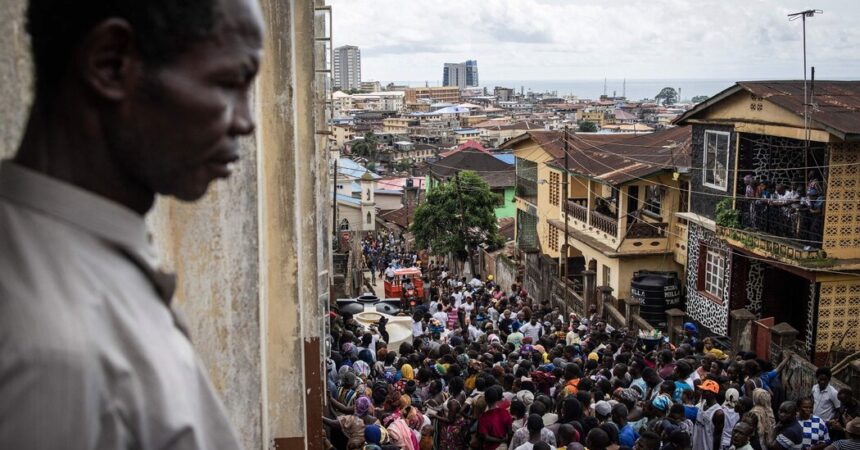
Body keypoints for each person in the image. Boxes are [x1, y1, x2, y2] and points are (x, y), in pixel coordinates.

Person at [0, 0, 264, 448]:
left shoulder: (70, 252)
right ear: (111, 64)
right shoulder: (52, 354)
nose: (246, 121)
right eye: (228, 83)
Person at [693, 380, 725, 450]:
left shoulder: (718, 413)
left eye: (705, 391)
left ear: (712, 393)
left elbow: (717, 437)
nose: (702, 392)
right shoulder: (703, 403)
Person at [478, 385, 513, 450]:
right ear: (497, 398)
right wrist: (505, 442)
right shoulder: (505, 413)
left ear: (485, 399)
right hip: (504, 446)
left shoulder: (483, 417)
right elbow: (510, 432)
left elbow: (486, 437)